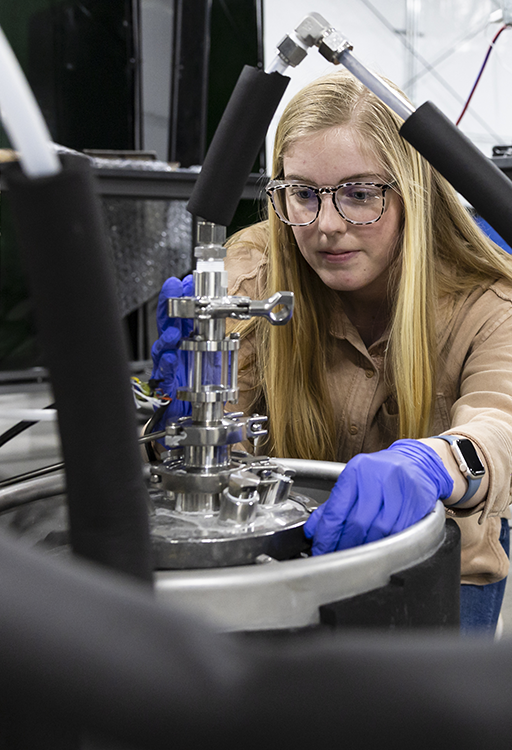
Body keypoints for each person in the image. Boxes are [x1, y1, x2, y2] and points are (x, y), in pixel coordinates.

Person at [152, 70, 512, 634]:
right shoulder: (253, 273)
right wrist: (177, 412)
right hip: (292, 546)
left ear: (412, 191)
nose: (327, 226)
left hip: (438, 566)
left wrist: (434, 463)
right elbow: (226, 446)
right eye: (303, 194)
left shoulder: (488, 301)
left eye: (360, 193)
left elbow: (499, 422)